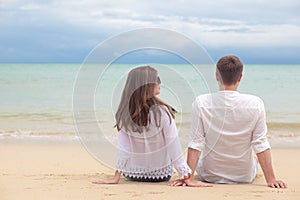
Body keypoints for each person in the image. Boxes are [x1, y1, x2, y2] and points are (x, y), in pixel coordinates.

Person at [170, 55, 287, 188]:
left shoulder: (201, 102)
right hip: (244, 176)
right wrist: (271, 179)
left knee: (204, 156)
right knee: (254, 161)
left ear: (216, 76)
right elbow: (260, 143)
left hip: (209, 175)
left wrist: (188, 178)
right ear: (240, 77)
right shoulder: (256, 103)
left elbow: (196, 143)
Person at [92, 66, 212, 187]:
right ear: (146, 86)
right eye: (156, 79)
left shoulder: (125, 113)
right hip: (160, 175)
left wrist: (116, 177)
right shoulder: (163, 112)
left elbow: (124, 148)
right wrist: (186, 176)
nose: (159, 82)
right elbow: (173, 145)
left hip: (131, 174)